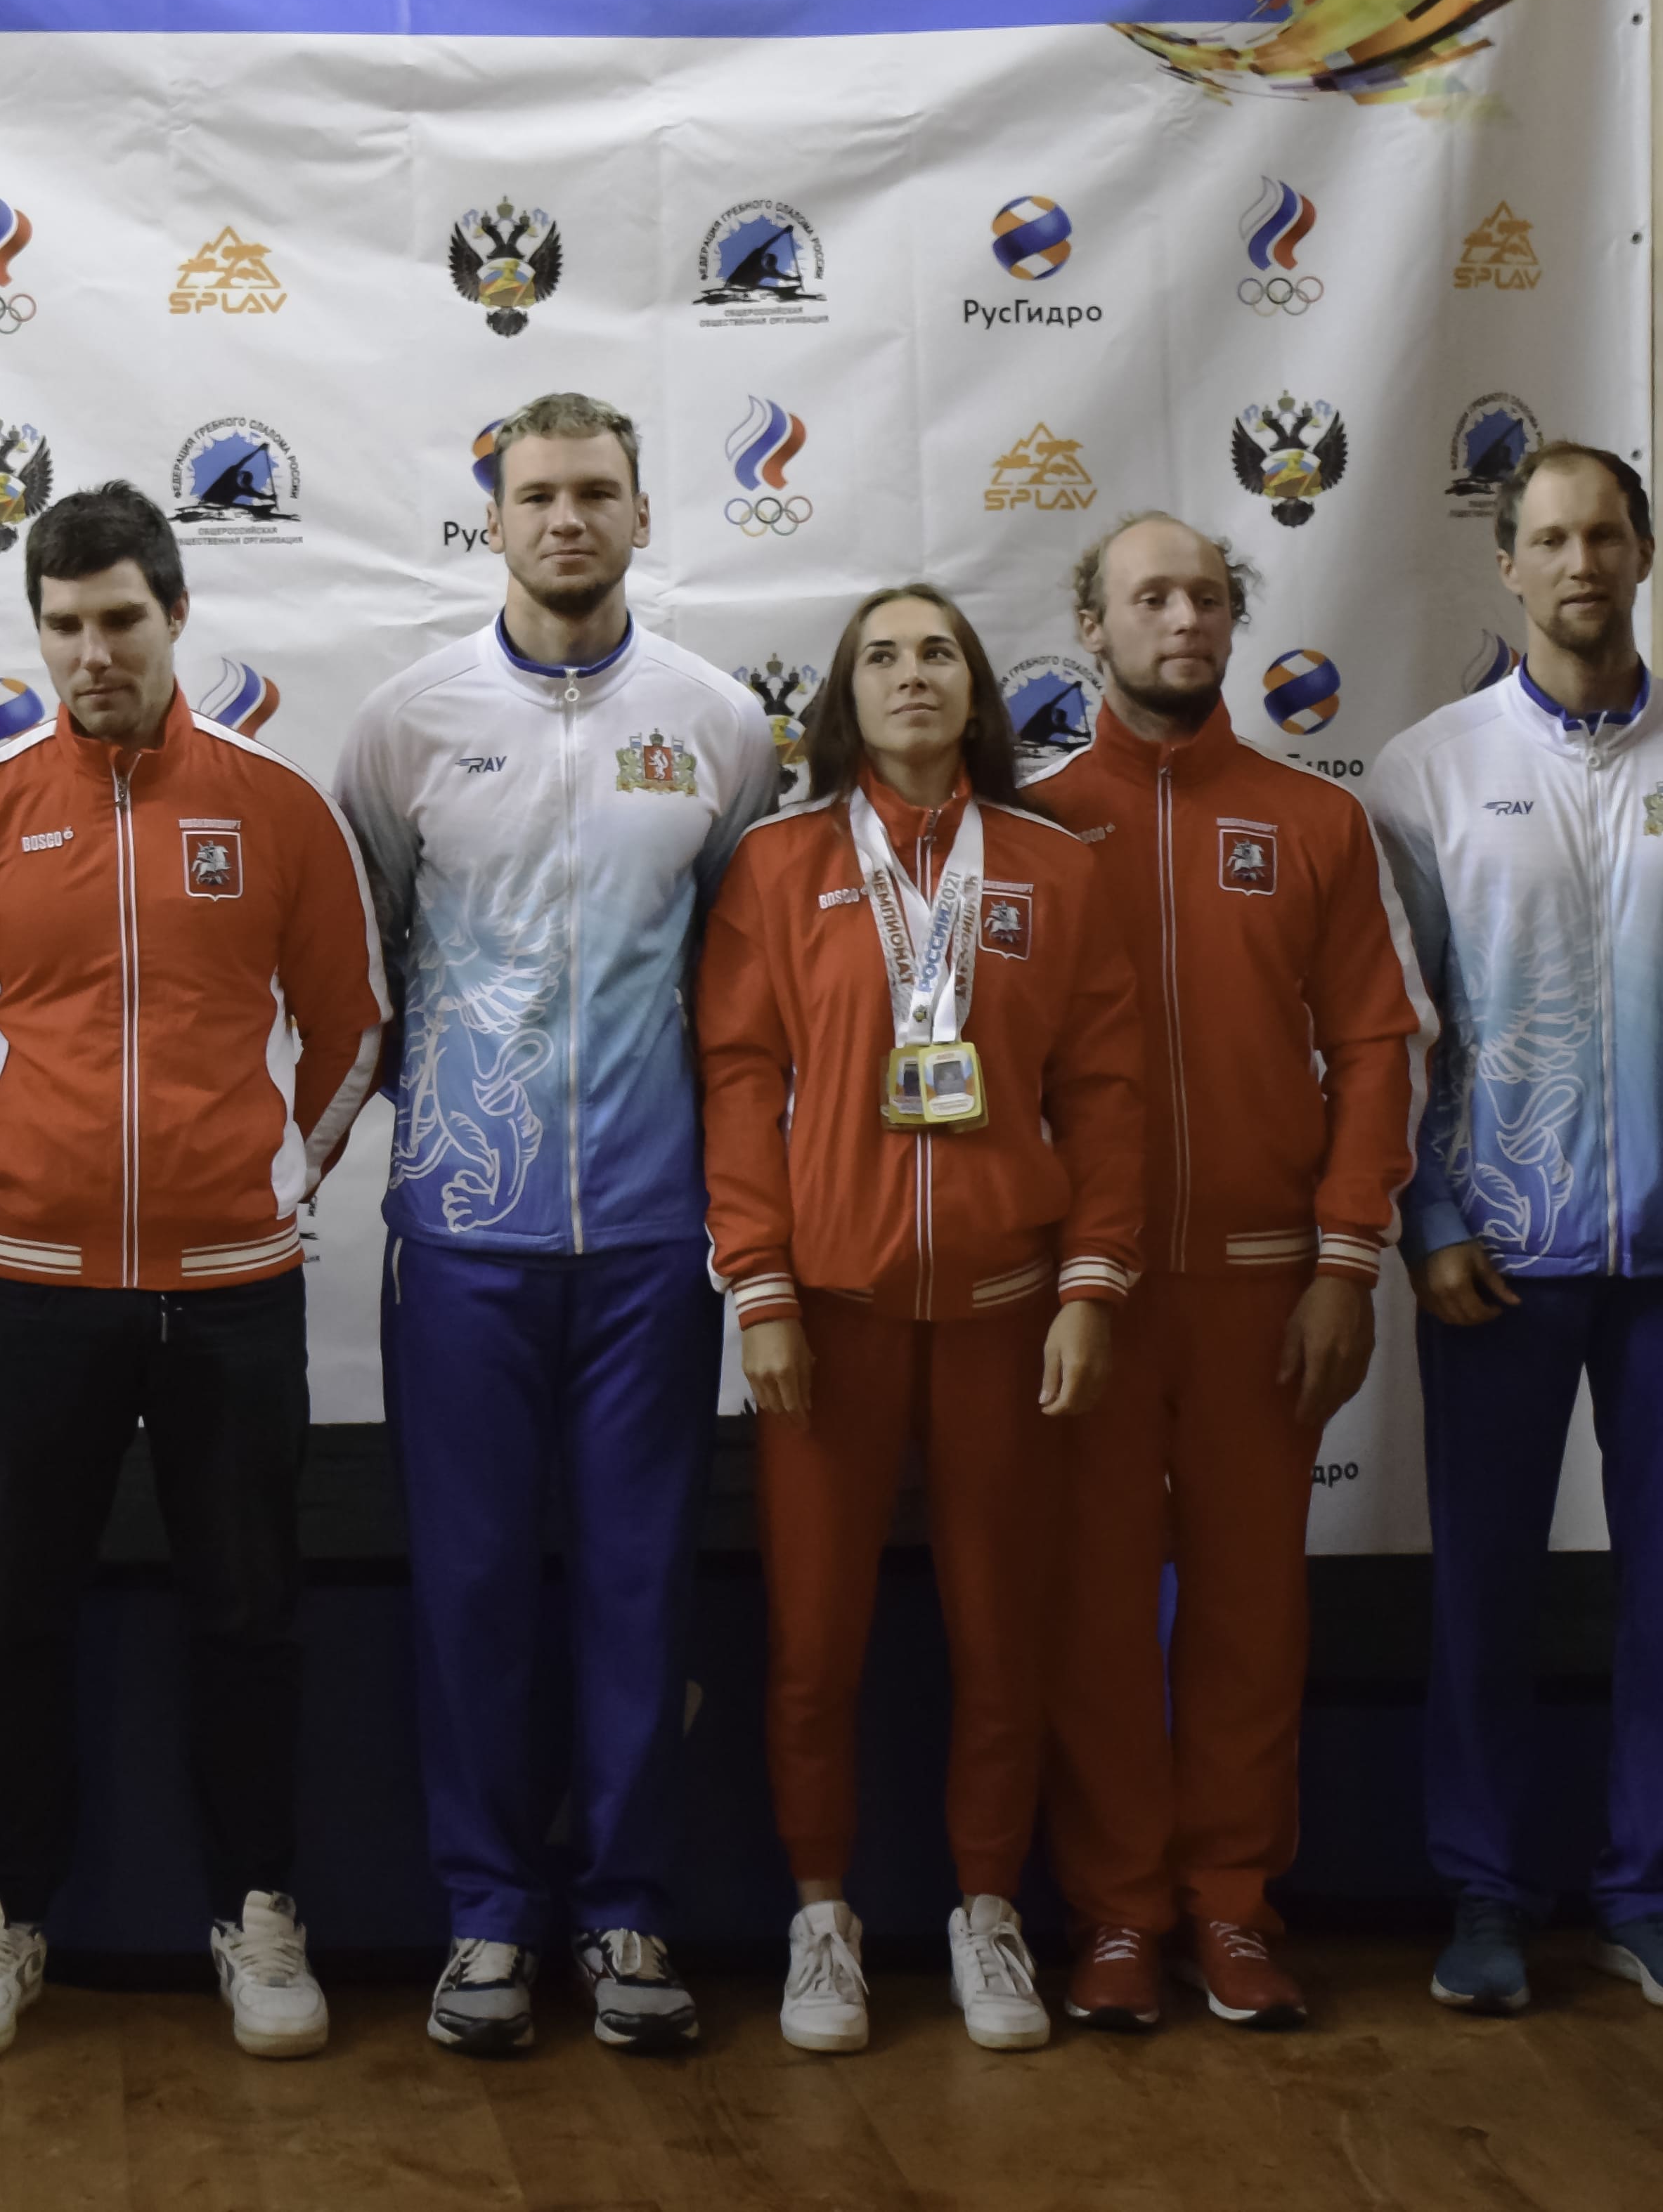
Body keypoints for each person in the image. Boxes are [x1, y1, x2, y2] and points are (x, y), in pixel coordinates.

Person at [0, 483, 388, 2062]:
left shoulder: (277, 805)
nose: (91, 651)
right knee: (13, 1613)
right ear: (36, 630)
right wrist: (2, 1169)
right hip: (37, 1283)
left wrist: (274, 1176)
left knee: (245, 1611)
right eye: (63, 625)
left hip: (231, 1284)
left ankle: (257, 1907)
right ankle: (0, 1908)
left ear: (176, 614)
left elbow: (352, 1022)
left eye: (119, 619)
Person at [330, 392, 776, 2057]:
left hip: (653, 1236)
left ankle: (625, 1903)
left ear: (642, 516)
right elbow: (371, 959)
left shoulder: (719, 724)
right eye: (536, 494)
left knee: (638, 1582)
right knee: (466, 1588)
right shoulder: (404, 724)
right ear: (493, 520)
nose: (566, 518)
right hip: (463, 1241)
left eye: (596, 492)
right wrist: (460, 1135)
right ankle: (482, 1912)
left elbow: (736, 971)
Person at [1371, 443, 1663, 2019]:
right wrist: (1429, 1213)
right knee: (1482, 1587)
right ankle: (1485, 1891)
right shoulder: (1425, 770)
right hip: (1490, 1259)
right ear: (1505, 562)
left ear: (1642, 551)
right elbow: (1392, 1028)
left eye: (1606, 534)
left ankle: (1651, 1895)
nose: (1581, 562)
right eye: (1551, 538)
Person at [694, 583, 1144, 2055]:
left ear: (975, 688)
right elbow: (737, 1084)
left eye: (936, 652)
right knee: (813, 1641)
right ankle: (819, 1916)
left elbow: (1104, 1093)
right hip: (828, 1316)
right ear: (843, 694)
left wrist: (1090, 1283)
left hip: (1008, 1311)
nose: (910, 676)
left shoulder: (1052, 866)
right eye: (880, 656)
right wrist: (759, 1286)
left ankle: (985, 1910)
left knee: (999, 1636)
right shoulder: (777, 864)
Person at [1030, 515, 1430, 2033]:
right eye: (1150, 596)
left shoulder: (1311, 820)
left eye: (1205, 595)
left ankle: (1229, 1904)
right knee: (1092, 1616)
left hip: (1266, 1289)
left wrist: (1345, 1258)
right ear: (1091, 624)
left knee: (1252, 1617)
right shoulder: (1033, 827)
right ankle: (1116, 1911)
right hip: (1087, 1300)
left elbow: (1374, 1046)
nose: (1183, 619)